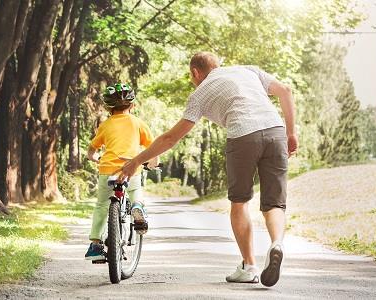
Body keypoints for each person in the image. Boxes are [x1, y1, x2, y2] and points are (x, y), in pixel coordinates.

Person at [118, 52, 297, 286]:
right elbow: (285, 91)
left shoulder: (200, 92)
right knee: (274, 203)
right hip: (275, 130)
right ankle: (276, 243)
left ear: (195, 72)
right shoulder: (248, 70)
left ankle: (249, 265)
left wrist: (134, 162)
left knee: (240, 202)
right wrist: (291, 133)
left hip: (242, 135)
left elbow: (171, 138)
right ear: (218, 65)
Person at [84, 83, 157, 261]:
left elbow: (92, 150)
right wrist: (153, 163)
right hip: (131, 166)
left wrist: (94, 158)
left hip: (107, 169)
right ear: (132, 105)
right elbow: (152, 147)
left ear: (109, 108)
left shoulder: (105, 125)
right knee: (134, 190)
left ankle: (95, 244)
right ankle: (137, 207)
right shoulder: (138, 123)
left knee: (102, 205)